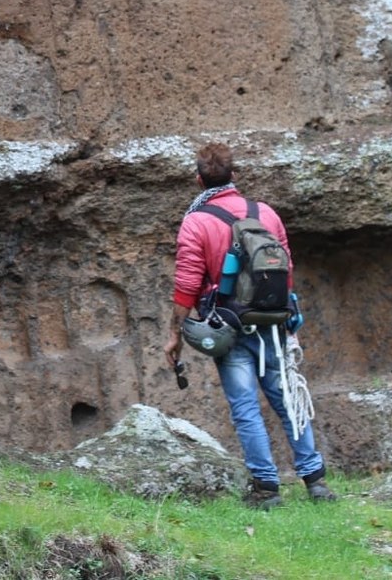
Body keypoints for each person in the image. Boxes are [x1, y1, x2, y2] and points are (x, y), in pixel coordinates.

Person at [163, 142, 336, 509]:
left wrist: (174, 333)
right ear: (234, 176)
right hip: (273, 323)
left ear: (198, 179)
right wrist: (288, 320)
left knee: (245, 407)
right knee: (289, 400)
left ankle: (267, 488)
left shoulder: (197, 221)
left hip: (229, 325)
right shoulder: (266, 214)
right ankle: (315, 481)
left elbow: (187, 283)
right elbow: (284, 270)